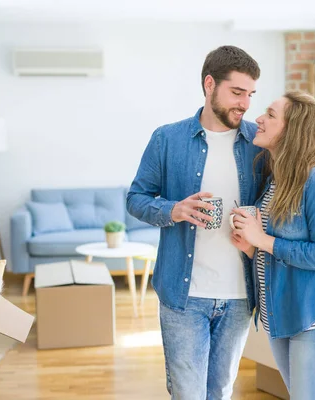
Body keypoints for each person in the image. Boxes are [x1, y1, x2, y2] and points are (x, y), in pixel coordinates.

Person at [126, 45, 264, 400]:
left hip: (238, 296)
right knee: (188, 394)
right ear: (209, 84)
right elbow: (136, 199)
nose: (245, 104)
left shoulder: (259, 144)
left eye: (250, 94)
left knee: (219, 390)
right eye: (236, 92)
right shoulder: (167, 139)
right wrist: (175, 210)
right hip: (183, 295)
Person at [231, 91, 315, 400]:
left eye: (270, 114)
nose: (259, 118)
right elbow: (271, 248)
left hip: (313, 317)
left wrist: (262, 240)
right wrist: (250, 246)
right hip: (280, 315)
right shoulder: (276, 181)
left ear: (292, 129)